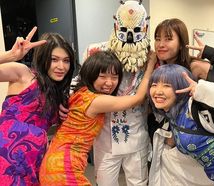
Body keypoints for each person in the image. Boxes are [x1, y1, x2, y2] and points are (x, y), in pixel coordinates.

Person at [59, 1, 152, 185]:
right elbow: (79, 82)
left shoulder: (150, 56)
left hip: (136, 132)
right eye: (125, 29)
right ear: (116, 24)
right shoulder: (95, 51)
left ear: (145, 27)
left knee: (139, 182)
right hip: (103, 133)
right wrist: (66, 102)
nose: (130, 37)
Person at [39, 50, 156, 186]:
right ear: (91, 75)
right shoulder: (96, 100)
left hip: (53, 161)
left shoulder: (81, 92)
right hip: (64, 168)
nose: (109, 82)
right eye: (102, 76)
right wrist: (150, 66)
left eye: (114, 77)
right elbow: (137, 99)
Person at [0, 28, 76, 185]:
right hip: (6, 156)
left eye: (66, 60)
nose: (61, 66)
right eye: (54, 59)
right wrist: (10, 56)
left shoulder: (58, 93)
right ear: (43, 58)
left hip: (35, 160)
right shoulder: (23, 73)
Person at [147, 18, 214, 186]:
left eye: (168, 39)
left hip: (197, 142)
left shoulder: (196, 66)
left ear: (182, 42)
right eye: (157, 38)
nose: (161, 44)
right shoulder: (158, 68)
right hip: (170, 140)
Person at [148, 64, 214, 185]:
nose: (158, 91)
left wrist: (203, 90)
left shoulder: (194, 107)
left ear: (181, 87)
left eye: (167, 85)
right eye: (154, 85)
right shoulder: (172, 115)